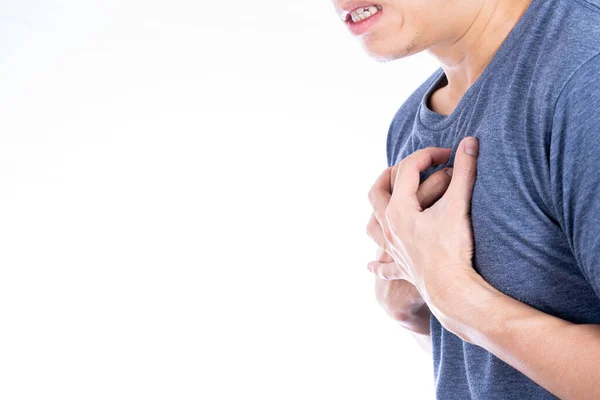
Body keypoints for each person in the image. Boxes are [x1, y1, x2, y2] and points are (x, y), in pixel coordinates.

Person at [334, 0, 600, 398]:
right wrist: (411, 310)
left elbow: (462, 310)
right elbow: (481, 370)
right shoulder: (410, 126)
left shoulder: (585, 77)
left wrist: (458, 298)